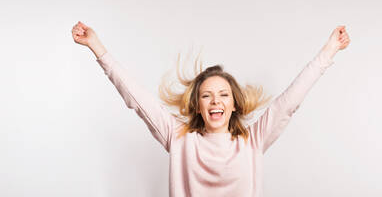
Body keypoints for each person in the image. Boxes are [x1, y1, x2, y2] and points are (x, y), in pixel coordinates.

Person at [71, 21, 350, 197]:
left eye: (223, 95)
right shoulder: (179, 138)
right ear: (198, 105)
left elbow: (290, 101)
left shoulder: (253, 140)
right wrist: (98, 48)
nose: (215, 101)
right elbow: (136, 98)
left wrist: (329, 51)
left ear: (233, 104)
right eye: (207, 96)